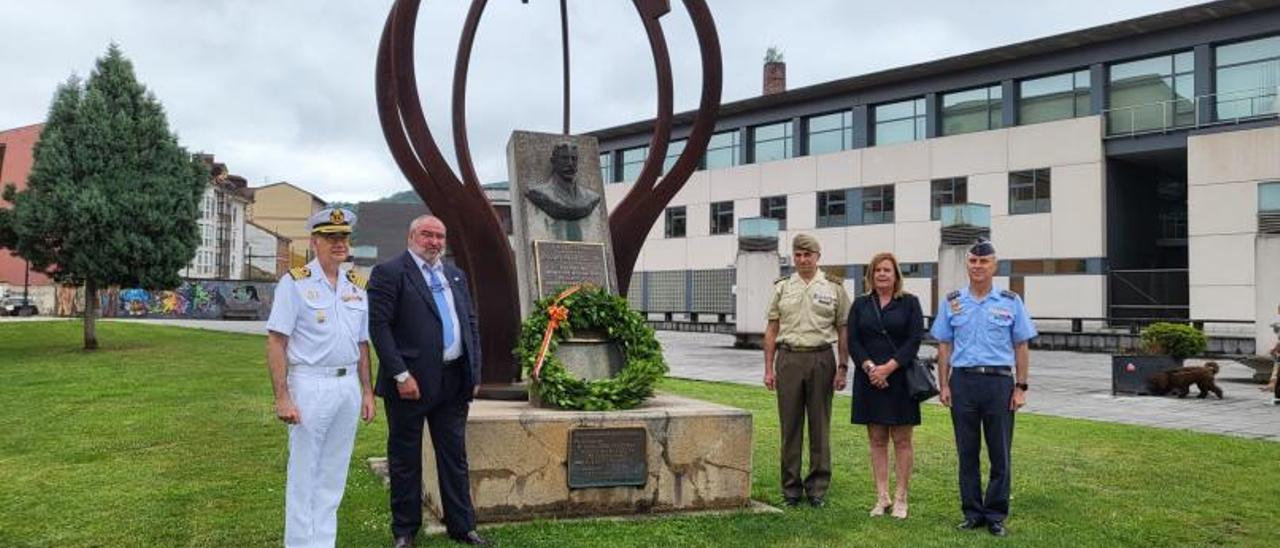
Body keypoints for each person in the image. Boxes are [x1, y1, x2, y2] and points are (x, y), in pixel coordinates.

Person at [367, 215, 487, 547]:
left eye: (439, 236)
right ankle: (405, 531)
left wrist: (474, 373)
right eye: (427, 235)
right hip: (410, 384)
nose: (434, 242)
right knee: (405, 458)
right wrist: (401, 374)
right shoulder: (389, 273)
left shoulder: (455, 275)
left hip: (453, 382)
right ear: (411, 237)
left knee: (454, 456)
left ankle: (463, 526)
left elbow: (470, 325)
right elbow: (379, 328)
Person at [265, 207, 377, 548]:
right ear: (315, 241)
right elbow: (276, 341)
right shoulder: (294, 283)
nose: (339, 243)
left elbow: (362, 344)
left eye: (343, 237)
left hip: (347, 388)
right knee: (304, 474)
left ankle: (323, 543)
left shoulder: (357, 287)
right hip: (310, 384)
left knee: (333, 474)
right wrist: (282, 396)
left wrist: (367, 392)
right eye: (331, 237)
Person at [931, 238, 1037, 537]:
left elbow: (1021, 345)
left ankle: (995, 515)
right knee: (967, 452)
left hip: (999, 384)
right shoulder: (953, 301)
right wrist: (944, 384)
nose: (978, 266)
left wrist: (1021, 387)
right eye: (973, 261)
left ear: (994, 265)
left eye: (984, 261)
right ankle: (972, 512)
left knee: (1000, 453)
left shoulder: (1010, 301)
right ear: (968, 264)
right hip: (963, 382)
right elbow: (944, 344)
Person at [763, 233, 851, 508]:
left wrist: (843, 367)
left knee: (819, 425)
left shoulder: (833, 287)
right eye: (798, 255)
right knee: (790, 427)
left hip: (821, 359)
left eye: (807, 255)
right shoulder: (782, 287)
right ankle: (790, 489)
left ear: (817, 257)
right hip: (788, 359)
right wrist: (768, 368)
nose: (802, 260)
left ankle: (817, 488)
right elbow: (772, 329)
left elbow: (843, 329)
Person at [847, 252, 923, 519]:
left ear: (896, 275)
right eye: (877, 270)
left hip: (900, 379)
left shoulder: (910, 303)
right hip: (870, 381)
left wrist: (888, 367)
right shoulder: (859, 305)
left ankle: (902, 498)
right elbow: (853, 341)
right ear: (870, 274)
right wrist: (870, 368)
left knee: (902, 440)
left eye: (887, 270)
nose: (881, 274)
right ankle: (882, 497)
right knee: (877, 440)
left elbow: (914, 340)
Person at [523, 142, 601, 221]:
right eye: (564, 158)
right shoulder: (539, 193)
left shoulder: (591, 197)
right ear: (554, 162)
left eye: (574, 159)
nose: (570, 163)